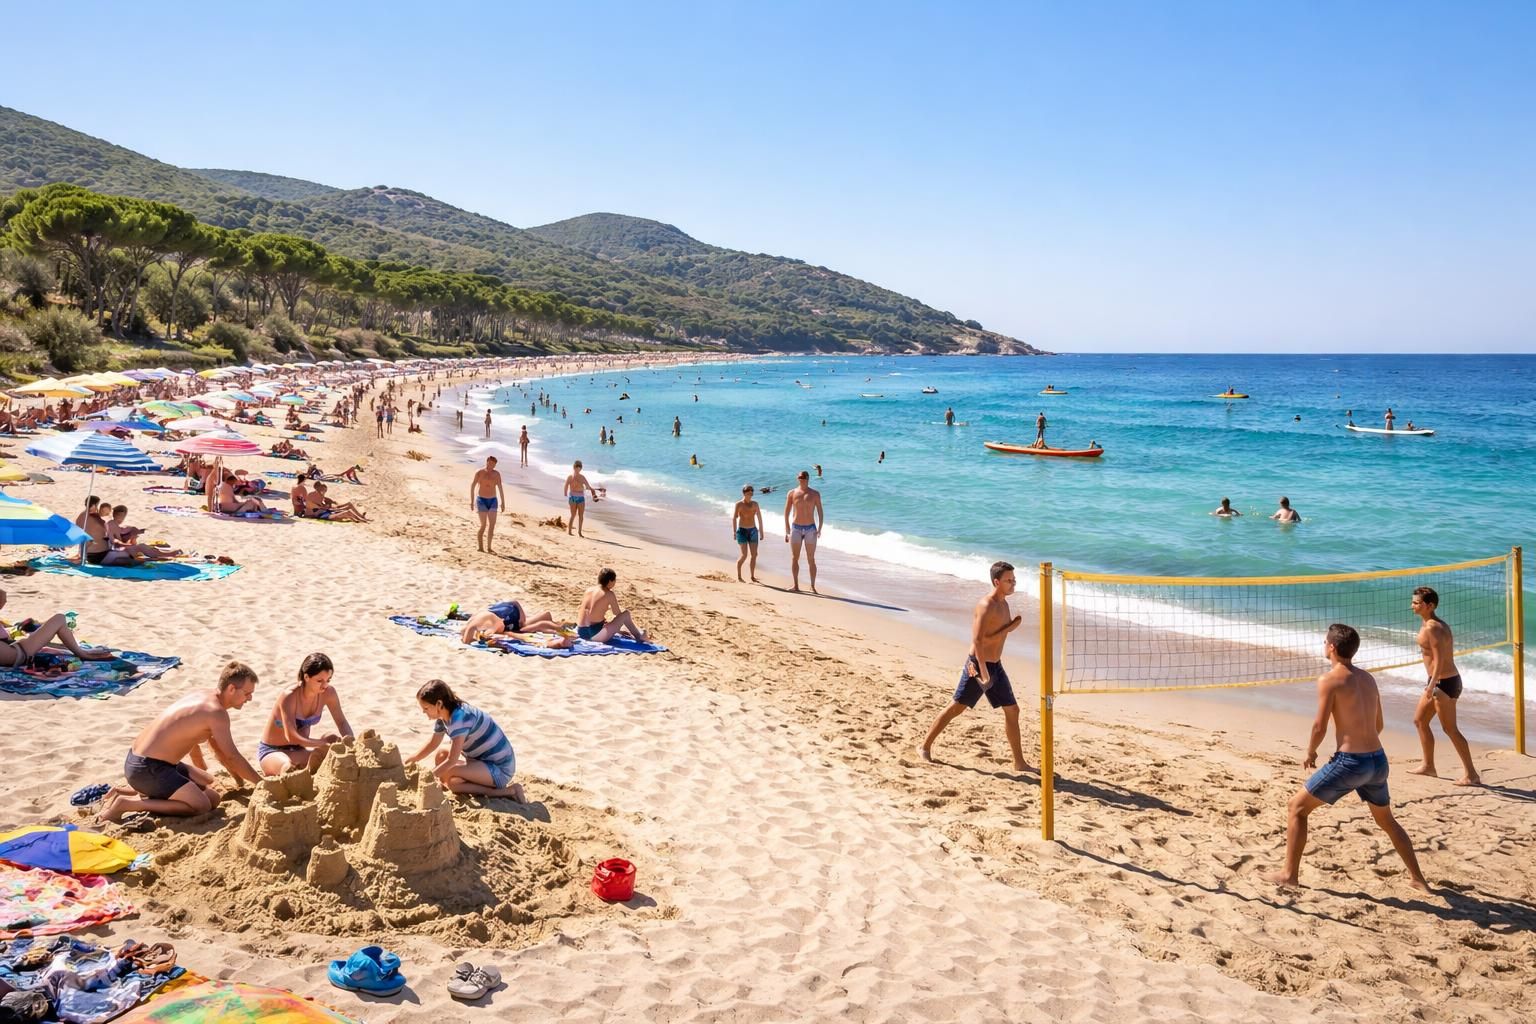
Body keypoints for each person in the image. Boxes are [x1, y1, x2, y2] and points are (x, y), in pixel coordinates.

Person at [1264, 624, 1429, 891]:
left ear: (1331, 647)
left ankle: (1288, 875)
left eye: (1325, 641)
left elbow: (1320, 726)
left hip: (1351, 762)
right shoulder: (1368, 679)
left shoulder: (1329, 680)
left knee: (1296, 808)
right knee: (1387, 821)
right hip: (1378, 760)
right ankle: (1418, 879)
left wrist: (1311, 751)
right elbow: (1379, 725)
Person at [98, 661, 265, 822]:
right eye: (247, 693)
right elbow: (232, 756)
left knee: (212, 796)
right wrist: (262, 784)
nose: (249, 699)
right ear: (231, 689)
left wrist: (204, 774)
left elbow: (193, 739)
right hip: (148, 768)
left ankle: (140, 792)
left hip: (142, 761)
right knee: (202, 806)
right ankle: (127, 804)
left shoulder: (203, 695)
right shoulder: (216, 713)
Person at [919, 561, 1028, 772]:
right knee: (956, 707)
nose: (1013, 583)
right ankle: (924, 746)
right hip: (978, 665)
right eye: (1009, 580)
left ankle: (1019, 762)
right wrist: (984, 672)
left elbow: (993, 636)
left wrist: (1009, 627)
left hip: (995, 665)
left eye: (1014, 579)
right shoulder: (986, 605)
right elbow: (978, 641)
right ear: (997, 582)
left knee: (1013, 710)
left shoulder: (1004, 603)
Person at [406, 679, 524, 800]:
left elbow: (452, 760)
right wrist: (411, 760)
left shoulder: (460, 719)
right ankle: (469, 784)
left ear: (439, 704)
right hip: (479, 762)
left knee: (448, 775)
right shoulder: (444, 717)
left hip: (499, 769)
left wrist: (428, 777)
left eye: (426, 708)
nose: (423, 712)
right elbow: (433, 743)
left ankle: (505, 791)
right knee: (442, 758)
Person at [1409, 587, 1480, 785]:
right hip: (1439, 681)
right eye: (1413, 602)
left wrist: (1432, 685)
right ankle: (1428, 766)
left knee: (1450, 729)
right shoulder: (1432, 624)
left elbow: (1439, 660)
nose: (1412, 606)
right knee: (1420, 721)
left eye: (1416, 603)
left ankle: (1471, 775)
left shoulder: (1433, 628)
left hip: (1443, 683)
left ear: (1429, 605)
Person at [257, 652, 354, 776]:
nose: (325, 685)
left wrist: (351, 743)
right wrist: (322, 743)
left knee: (334, 739)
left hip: (299, 751)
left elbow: (341, 722)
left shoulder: (329, 693)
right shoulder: (289, 696)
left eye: (328, 680)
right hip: (273, 751)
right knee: (288, 766)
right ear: (306, 677)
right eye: (319, 681)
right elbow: (291, 737)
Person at [0, 589, 113, 667]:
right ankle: (81, 653)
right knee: (59, 619)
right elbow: (2, 595)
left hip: (15, 650)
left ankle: (80, 651)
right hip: (19, 654)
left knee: (41, 631)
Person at [576, 567, 649, 644]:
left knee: (607, 622)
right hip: (594, 635)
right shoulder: (609, 594)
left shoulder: (589, 590)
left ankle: (636, 633)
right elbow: (617, 613)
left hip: (581, 631)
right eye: (614, 580)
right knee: (626, 614)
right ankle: (639, 636)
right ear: (610, 581)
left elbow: (590, 612)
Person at [782, 470, 824, 594]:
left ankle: (812, 586)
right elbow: (786, 513)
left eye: (804, 477)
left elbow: (820, 512)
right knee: (795, 557)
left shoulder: (815, 494)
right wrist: (787, 530)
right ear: (797, 478)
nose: (802, 479)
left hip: (811, 528)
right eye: (800, 477)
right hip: (796, 528)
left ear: (808, 479)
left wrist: (820, 528)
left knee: (811, 558)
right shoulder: (792, 493)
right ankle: (795, 585)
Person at [458, 599, 561, 644]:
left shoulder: (477, 624)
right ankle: (545, 616)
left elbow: (467, 640)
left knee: (524, 627)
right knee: (523, 625)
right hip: (505, 611)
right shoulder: (476, 621)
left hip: (508, 614)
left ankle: (546, 617)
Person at [471, 456, 506, 553]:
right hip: (481, 500)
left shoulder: (496, 474)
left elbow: (500, 488)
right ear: (486, 462)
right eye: (490, 463)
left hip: (493, 501)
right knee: (483, 525)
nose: (491, 466)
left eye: (493, 464)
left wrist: (503, 502)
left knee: (492, 525)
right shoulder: (479, 472)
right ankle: (480, 547)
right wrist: (471, 500)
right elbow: (473, 485)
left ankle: (489, 548)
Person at [732, 484, 764, 583]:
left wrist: (761, 531)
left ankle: (752, 576)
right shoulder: (739, 504)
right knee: (744, 555)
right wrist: (734, 532)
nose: (751, 492)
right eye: (748, 491)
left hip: (753, 531)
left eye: (752, 491)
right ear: (744, 493)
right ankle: (739, 575)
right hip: (742, 531)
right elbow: (734, 518)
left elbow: (759, 517)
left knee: (754, 554)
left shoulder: (755, 504)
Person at [563, 460, 600, 537]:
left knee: (581, 515)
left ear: (581, 469)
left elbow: (587, 486)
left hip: (580, 498)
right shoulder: (570, 477)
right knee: (573, 515)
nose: (578, 469)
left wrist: (593, 490)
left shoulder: (582, 477)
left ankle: (579, 532)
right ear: (574, 467)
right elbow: (566, 486)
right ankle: (569, 531)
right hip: (572, 497)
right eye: (577, 467)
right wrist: (565, 494)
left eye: (579, 468)